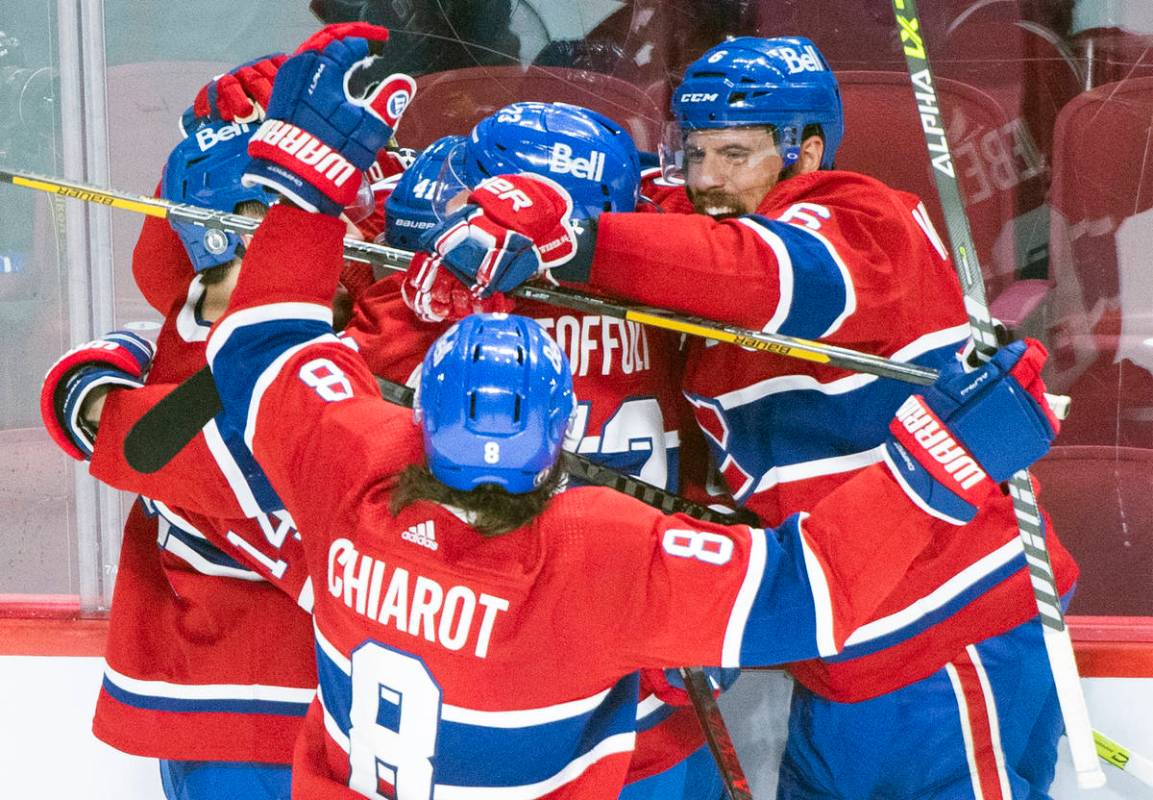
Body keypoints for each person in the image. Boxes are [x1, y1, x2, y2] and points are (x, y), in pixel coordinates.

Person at [195, 29, 1063, 795]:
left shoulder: (865, 223)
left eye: (736, 154)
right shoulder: (687, 216)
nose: (708, 179)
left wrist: (573, 236)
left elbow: (752, 271)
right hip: (847, 637)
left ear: (804, 151)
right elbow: (642, 211)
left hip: (948, 625)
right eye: (696, 155)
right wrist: (440, 206)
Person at [36, 24, 412, 799]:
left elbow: (137, 382)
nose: (345, 238)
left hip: (360, 694)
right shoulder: (324, 365)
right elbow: (186, 422)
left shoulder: (328, 329)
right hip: (246, 697)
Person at [343, 101, 728, 798]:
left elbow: (338, 407)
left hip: (503, 675)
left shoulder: (446, 318)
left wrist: (403, 293)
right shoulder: (668, 298)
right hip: (653, 659)